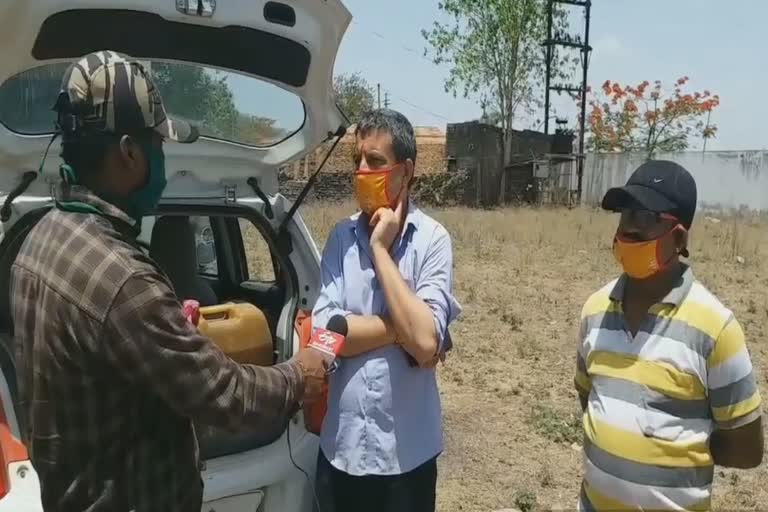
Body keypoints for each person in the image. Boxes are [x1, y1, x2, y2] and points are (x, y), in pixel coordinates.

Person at [9, 51, 328, 512]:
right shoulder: (123, 280)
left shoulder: (37, 242)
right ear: (129, 152)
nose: (163, 160)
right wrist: (299, 377)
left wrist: (166, 331)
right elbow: (224, 395)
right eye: (159, 147)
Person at [574, 160, 763, 511]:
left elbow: (746, 448)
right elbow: (590, 399)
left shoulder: (716, 328)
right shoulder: (594, 310)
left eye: (644, 217)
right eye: (625, 214)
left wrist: (676, 451)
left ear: (678, 237)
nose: (627, 229)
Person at [312, 109, 461, 512]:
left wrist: (380, 249)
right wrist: (401, 331)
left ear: (406, 171)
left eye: (375, 161)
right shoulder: (340, 238)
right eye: (357, 160)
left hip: (406, 458)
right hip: (340, 451)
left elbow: (426, 341)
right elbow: (326, 334)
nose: (362, 171)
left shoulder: (432, 240)